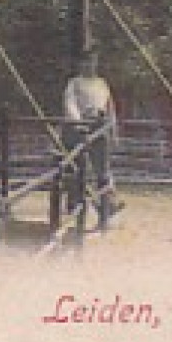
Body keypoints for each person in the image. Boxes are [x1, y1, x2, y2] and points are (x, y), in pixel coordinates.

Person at [62, 53, 121, 223]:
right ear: (81, 64)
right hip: (80, 130)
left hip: (100, 129)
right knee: (76, 170)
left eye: (93, 62)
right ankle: (74, 210)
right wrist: (78, 122)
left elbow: (110, 108)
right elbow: (70, 103)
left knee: (103, 172)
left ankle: (107, 208)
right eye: (86, 62)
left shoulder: (102, 84)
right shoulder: (74, 83)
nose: (90, 65)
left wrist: (113, 130)